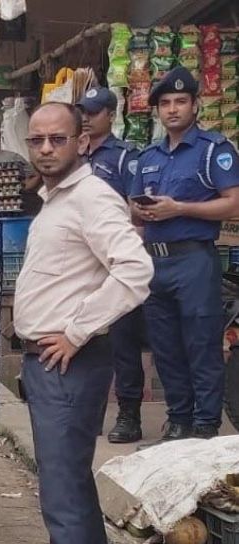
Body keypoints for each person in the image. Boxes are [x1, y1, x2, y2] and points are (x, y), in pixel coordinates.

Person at [15, 102, 153, 544]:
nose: (47, 149)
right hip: (51, 364)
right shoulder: (58, 199)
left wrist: (77, 331)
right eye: (37, 140)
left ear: (83, 142)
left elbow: (135, 271)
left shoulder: (93, 197)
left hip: (68, 363)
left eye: (58, 139)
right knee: (70, 489)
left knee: (63, 498)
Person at [130, 66, 239, 443]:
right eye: (165, 103)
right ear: (157, 110)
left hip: (194, 258)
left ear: (195, 105)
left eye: (180, 101)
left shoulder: (214, 151)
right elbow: (132, 211)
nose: (172, 109)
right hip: (154, 260)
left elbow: (232, 205)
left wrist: (180, 208)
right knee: (165, 347)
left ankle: (206, 423)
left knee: (201, 343)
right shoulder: (146, 157)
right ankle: (178, 419)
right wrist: (142, 211)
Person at [75, 86, 146, 444]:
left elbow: (137, 210)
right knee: (82, 338)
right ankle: (88, 412)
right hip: (79, 264)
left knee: (122, 343)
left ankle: (129, 414)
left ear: (110, 115)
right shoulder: (74, 153)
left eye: (93, 111)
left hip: (112, 263)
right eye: (83, 112)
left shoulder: (123, 157)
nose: (86, 118)